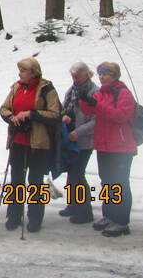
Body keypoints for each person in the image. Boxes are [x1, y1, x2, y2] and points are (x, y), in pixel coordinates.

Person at [0, 58, 61, 233]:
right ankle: (14, 215)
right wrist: (12, 117)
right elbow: (4, 108)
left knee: (35, 181)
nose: (20, 73)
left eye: (23, 71)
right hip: (18, 140)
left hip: (38, 142)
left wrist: (31, 114)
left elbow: (55, 114)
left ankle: (34, 217)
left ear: (34, 72)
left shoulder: (46, 89)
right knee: (16, 180)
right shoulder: (16, 87)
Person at [79, 61, 137, 237]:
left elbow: (120, 115)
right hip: (104, 145)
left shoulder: (123, 93)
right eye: (100, 74)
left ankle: (121, 222)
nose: (102, 77)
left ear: (114, 75)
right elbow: (90, 111)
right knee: (107, 182)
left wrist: (97, 105)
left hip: (121, 146)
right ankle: (109, 215)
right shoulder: (101, 94)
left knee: (120, 183)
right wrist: (85, 100)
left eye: (106, 74)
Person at [59, 62, 98, 224]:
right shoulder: (72, 90)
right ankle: (73, 205)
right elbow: (65, 108)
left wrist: (78, 132)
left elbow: (96, 120)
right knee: (71, 173)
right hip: (70, 137)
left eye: (77, 76)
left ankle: (85, 211)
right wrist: (64, 116)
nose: (74, 79)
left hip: (84, 140)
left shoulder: (94, 92)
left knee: (77, 174)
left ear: (86, 75)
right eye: (72, 76)